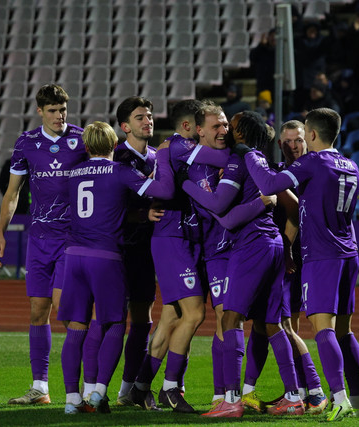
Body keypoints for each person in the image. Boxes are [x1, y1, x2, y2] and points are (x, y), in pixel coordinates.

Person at [237, 108, 359, 421]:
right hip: (349, 252)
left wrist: (248, 155)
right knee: (345, 332)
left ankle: (338, 399)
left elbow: (269, 183)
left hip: (322, 255)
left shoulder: (313, 162)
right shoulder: (350, 165)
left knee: (323, 329)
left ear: (312, 134)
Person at [180, 110, 303, 418]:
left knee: (230, 319)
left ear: (242, 133)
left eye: (231, 126)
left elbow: (219, 204)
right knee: (273, 323)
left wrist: (186, 185)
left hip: (251, 245)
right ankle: (294, 396)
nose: (226, 131)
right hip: (274, 242)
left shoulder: (240, 159)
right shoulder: (260, 159)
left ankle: (231, 399)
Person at [57, 121, 174, 414]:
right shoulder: (120, 171)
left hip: (74, 256)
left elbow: (104, 208)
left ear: (86, 147)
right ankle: (99, 393)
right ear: (114, 145)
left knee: (76, 327)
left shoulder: (73, 173)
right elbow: (162, 189)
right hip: (105, 256)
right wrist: (163, 161)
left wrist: (140, 215)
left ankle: (72, 399)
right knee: (115, 324)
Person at [128, 100, 230, 413]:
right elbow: (225, 157)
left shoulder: (182, 150)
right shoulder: (178, 146)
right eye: (211, 125)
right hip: (173, 239)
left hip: (188, 240)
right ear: (190, 127)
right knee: (195, 314)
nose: (219, 131)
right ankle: (171, 388)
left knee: (172, 316)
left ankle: (139, 387)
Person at [0, 84, 87, 405]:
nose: (59, 116)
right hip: (39, 238)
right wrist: (0, 233)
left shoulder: (82, 139)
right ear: (40, 111)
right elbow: (13, 193)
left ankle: (86, 386)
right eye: (53, 111)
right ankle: (40, 388)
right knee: (37, 310)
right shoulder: (26, 143)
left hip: (71, 239)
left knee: (64, 309)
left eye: (63, 110)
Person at [101, 96, 160, 406]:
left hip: (147, 251)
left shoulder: (158, 157)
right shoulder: (117, 158)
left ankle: (129, 390)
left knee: (142, 319)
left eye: (149, 116)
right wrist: (141, 215)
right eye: (140, 117)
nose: (147, 121)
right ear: (125, 126)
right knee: (112, 320)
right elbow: (107, 207)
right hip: (118, 249)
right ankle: (95, 389)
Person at [272, 120, 328, 414]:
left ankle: (315, 391)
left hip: (301, 258)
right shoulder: (279, 172)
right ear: (279, 143)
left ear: (308, 141)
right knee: (286, 325)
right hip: (285, 256)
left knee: (294, 326)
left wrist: (288, 249)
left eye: (298, 140)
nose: (293, 146)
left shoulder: (312, 171)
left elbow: (297, 215)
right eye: (288, 141)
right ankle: (300, 390)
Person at [249, 30, 276, 96]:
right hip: (263, 84)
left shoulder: (283, 50)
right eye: (271, 36)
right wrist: (261, 45)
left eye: (275, 36)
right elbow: (252, 58)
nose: (273, 38)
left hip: (277, 84)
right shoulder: (261, 49)